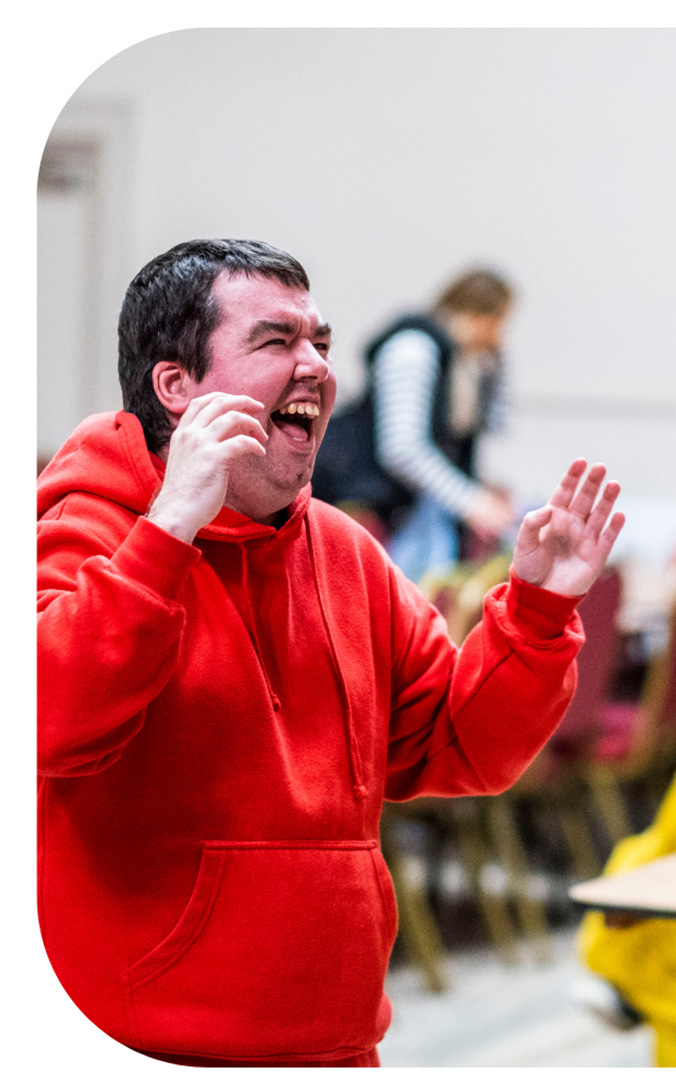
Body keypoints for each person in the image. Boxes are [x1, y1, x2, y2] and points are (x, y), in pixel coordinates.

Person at [37, 238, 625, 1067]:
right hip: (149, 1048)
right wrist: (168, 533)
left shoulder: (343, 551)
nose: (316, 367)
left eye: (322, 342)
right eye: (278, 342)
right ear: (177, 388)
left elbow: (463, 746)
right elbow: (48, 721)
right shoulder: (87, 529)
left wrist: (536, 611)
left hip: (339, 1043)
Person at [312, 268, 517, 582]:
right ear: (480, 316)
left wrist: (497, 366)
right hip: (361, 498)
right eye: (499, 324)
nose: (500, 336)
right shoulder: (414, 348)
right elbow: (402, 449)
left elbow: (491, 426)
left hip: (399, 504)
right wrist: (471, 502)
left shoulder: (461, 361)